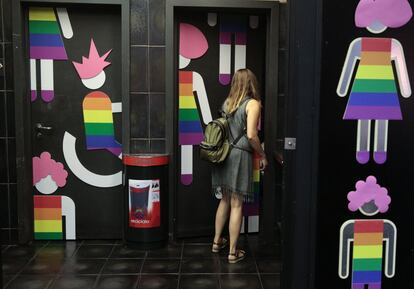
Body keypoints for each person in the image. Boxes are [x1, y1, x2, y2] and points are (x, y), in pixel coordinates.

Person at [211, 68, 268, 263]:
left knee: (225, 200)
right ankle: (233, 252)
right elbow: (251, 135)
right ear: (252, 82)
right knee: (237, 204)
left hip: (224, 155)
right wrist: (262, 154)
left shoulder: (227, 102)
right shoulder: (252, 104)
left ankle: (217, 241)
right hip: (240, 155)